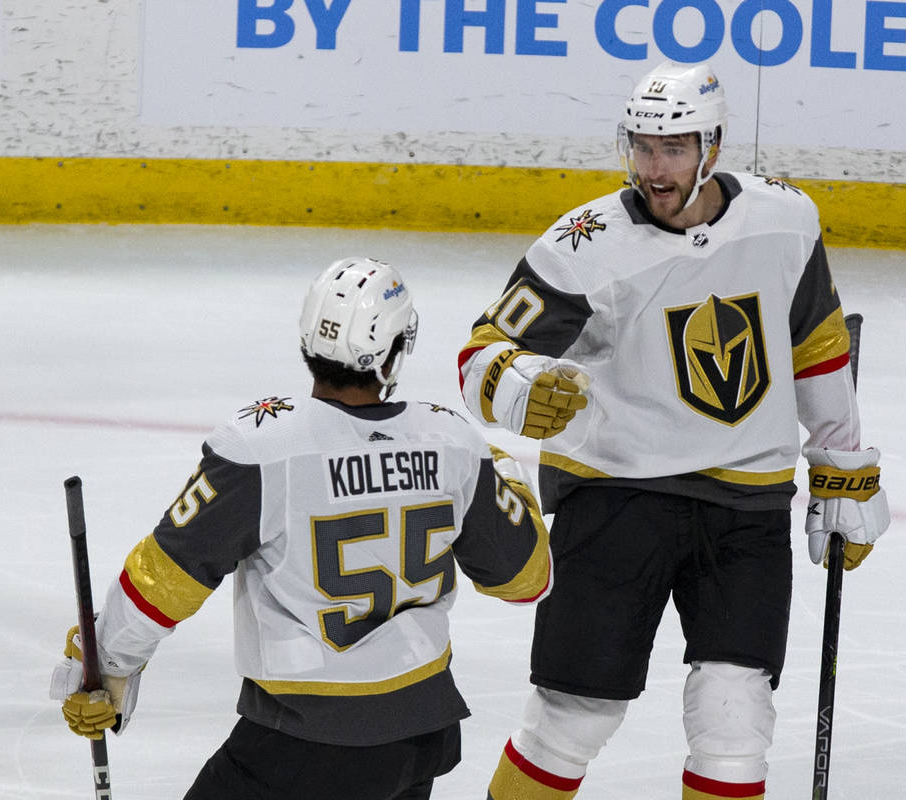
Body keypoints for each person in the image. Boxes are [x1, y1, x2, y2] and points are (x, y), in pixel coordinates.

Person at [456, 61, 890, 799]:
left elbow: (815, 343)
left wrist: (843, 465)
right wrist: (519, 383)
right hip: (617, 496)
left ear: (712, 147)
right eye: (643, 148)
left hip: (746, 506)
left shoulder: (784, 219)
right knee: (572, 716)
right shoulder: (583, 244)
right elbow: (482, 352)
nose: (655, 169)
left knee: (735, 720)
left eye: (675, 149)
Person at [50, 256, 553, 800]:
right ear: (392, 353)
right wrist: (503, 470)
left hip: (301, 744)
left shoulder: (261, 448)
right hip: (419, 734)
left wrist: (107, 664)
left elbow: (166, 577)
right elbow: (526, 579)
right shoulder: (453, 441)